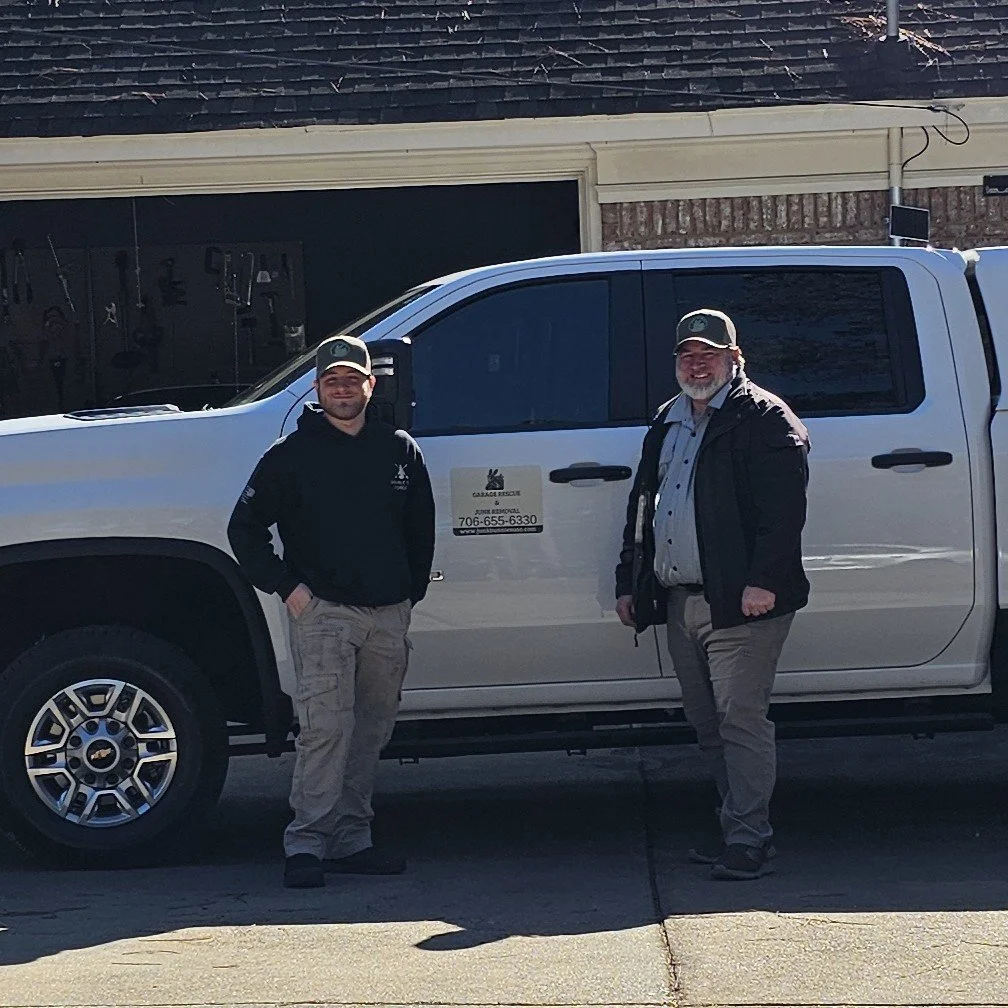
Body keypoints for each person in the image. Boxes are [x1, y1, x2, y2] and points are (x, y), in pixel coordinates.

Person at [228, 334, 435, 888]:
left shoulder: (399, 449)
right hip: (322, 612)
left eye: (352, 379)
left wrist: (408, 595)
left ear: (372, 384)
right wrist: (288, 589)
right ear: (317, 390)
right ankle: (307, 844)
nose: (343, 389)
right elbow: (243, 530)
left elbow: (420, 531)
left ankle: (351, 839)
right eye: (331, 381)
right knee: (325, 728)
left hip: (387, 615)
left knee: (371, 730)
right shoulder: (289, 456)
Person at [615, 309, 810, 881]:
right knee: (708, 725)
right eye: (687, 355)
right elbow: (642, 513)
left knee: (740, 721)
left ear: (734, 359)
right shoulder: (668, 421)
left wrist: (764, 582)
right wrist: (630, 583)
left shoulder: (765, 420)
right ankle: (736, 829)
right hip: (681, 601)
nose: (697, 364)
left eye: (709, 354)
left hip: (742, 603)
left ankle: (750, 839)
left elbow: (785, 516)